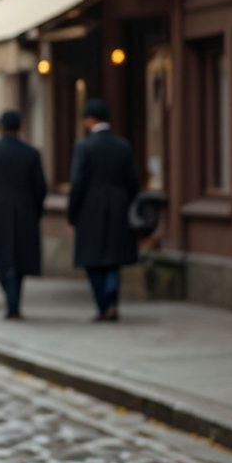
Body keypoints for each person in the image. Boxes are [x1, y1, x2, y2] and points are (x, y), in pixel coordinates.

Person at [67, 98, 140, 321]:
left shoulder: (84, 146)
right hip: (119, 206)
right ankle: (112, 294)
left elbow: (77, 182)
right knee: (113, 257)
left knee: (92, 260)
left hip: (90, 209)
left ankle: (103, 304)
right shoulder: (123, 145)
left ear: (89, 120)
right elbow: (133, 181)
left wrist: (72, 213)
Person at [0, 109, 46, 319]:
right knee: (20, 261)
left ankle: (11, 301)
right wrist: (35, 211)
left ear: (1, 128)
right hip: (25, 212)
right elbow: (40, 188)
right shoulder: (31, 153)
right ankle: (14, 302)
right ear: (20, 128)